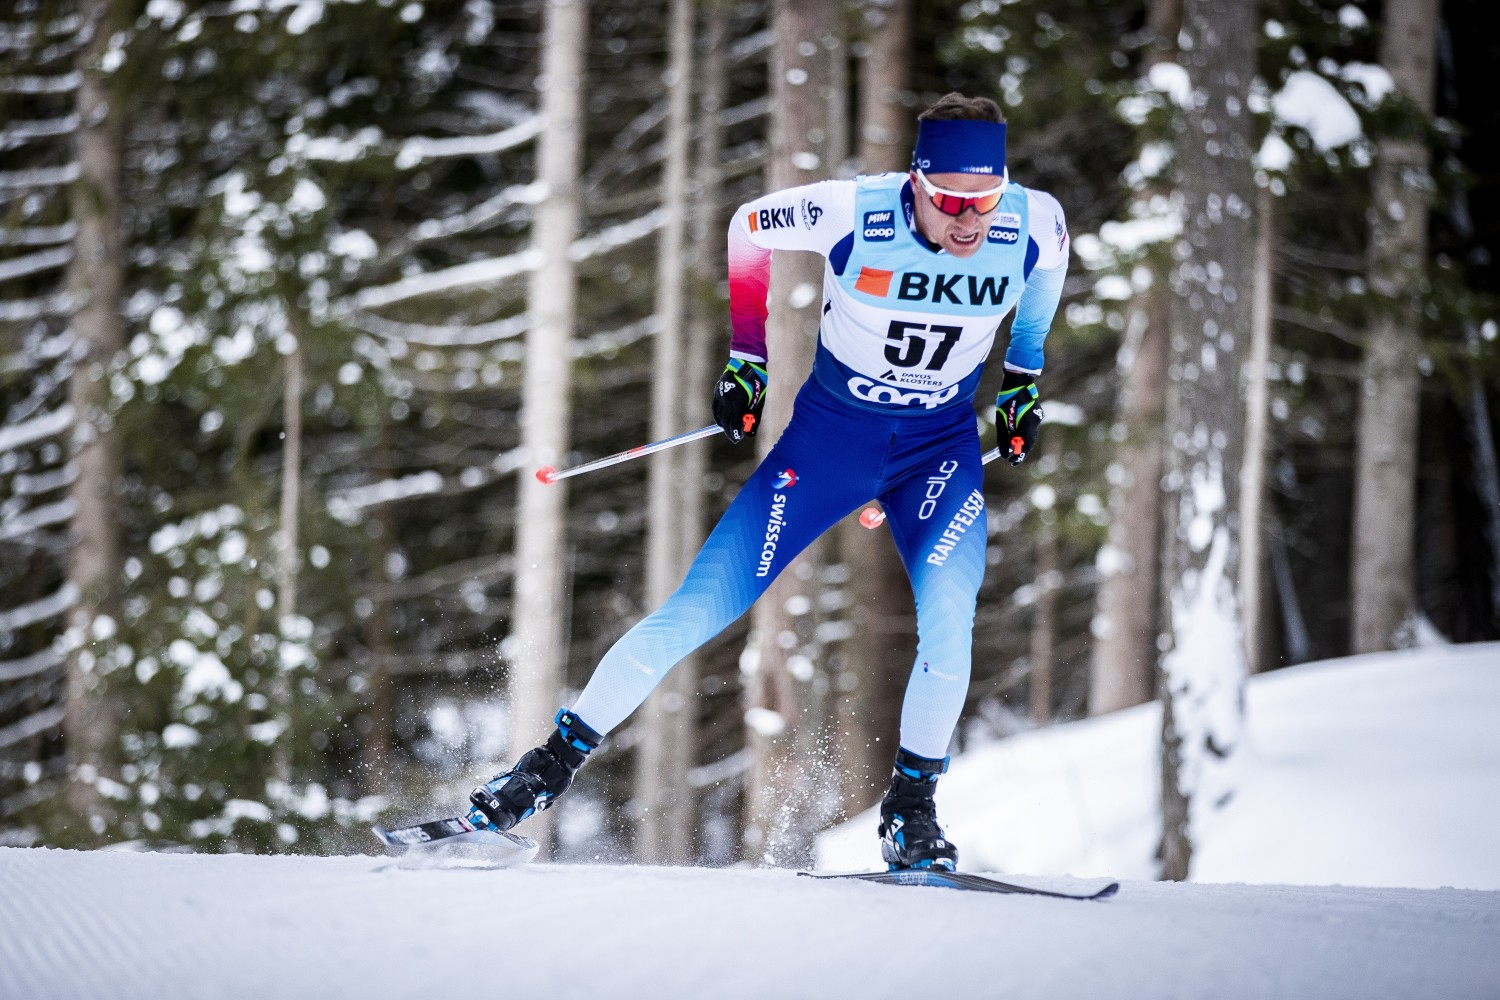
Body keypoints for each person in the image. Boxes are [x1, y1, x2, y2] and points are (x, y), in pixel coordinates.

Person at [468, 92, 1068, 872]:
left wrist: (1023, 377)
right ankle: (544, 770)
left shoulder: (1033, 221)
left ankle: (910, 813)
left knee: (951, 627)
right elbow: (750, 225)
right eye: (951, 200)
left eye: (984, 201)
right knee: (697, 609)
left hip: (938, 453)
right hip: (830, 445)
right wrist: (746, 359)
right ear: (916, 182)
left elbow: (1049, 267)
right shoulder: (854, 212)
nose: (969, 221)